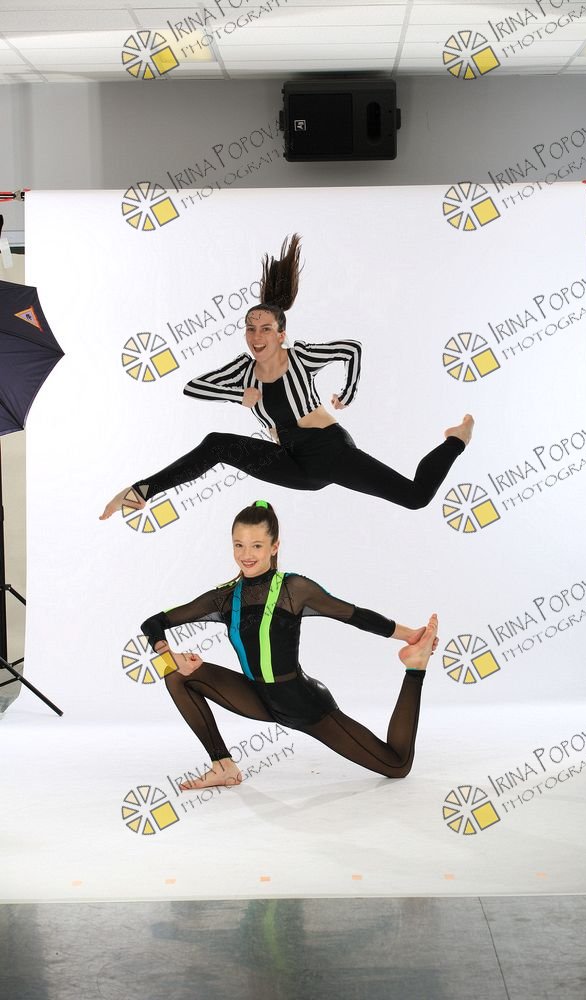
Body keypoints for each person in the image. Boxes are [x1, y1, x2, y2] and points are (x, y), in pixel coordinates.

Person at [100, 234, 473, 520]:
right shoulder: (243, 370)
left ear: (280, 334)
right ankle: (141, 491)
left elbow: (351, 349)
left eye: (265, 329)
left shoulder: (300, 357)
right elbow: (193, 387)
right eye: (250, 329)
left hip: (327, 450)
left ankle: (456, 439)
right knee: (216, 444)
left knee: (415, 497)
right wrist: (237, 396)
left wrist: (348, 392)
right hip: (292, 462)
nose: (256, 336)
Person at [141, 501, 439, 790]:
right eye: (239, 545)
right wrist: (170, 655)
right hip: (258, 697)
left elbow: (354, 615)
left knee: (397, 765)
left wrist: (410, 635)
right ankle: (223, 766)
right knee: (175, 674)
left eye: (257, 545)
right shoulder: (224, 598)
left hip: (303, 704)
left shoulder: (294, 589)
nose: (246, 554)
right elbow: (152, 623)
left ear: (274, 547)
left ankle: (415, 667)